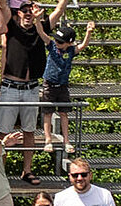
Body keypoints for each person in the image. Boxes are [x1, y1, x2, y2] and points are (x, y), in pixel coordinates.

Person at [0, 0, 73, 184]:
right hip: (11, 86)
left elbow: (58, 11)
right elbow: (2, 4)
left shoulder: (43, 28)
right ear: (18, 13)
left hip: (31, 88)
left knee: (29, 131)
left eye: (32, 11)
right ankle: (1, 173)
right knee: (5, 131)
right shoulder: (11, 25)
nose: (29, 14)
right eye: (25, 11)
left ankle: (26, 170)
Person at [37, 21, 94, 152]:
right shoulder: (51, 46)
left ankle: (66, 140)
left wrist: (88, 32)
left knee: (64, 113)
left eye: (61, 42)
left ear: (69, 43)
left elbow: (84, 45)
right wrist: (37, 19)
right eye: (56, 40)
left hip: (63, 85)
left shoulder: (71, 50)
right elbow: (41, 33)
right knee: (47, 113)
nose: (57, 43)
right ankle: (48, 139)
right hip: (49, 84)